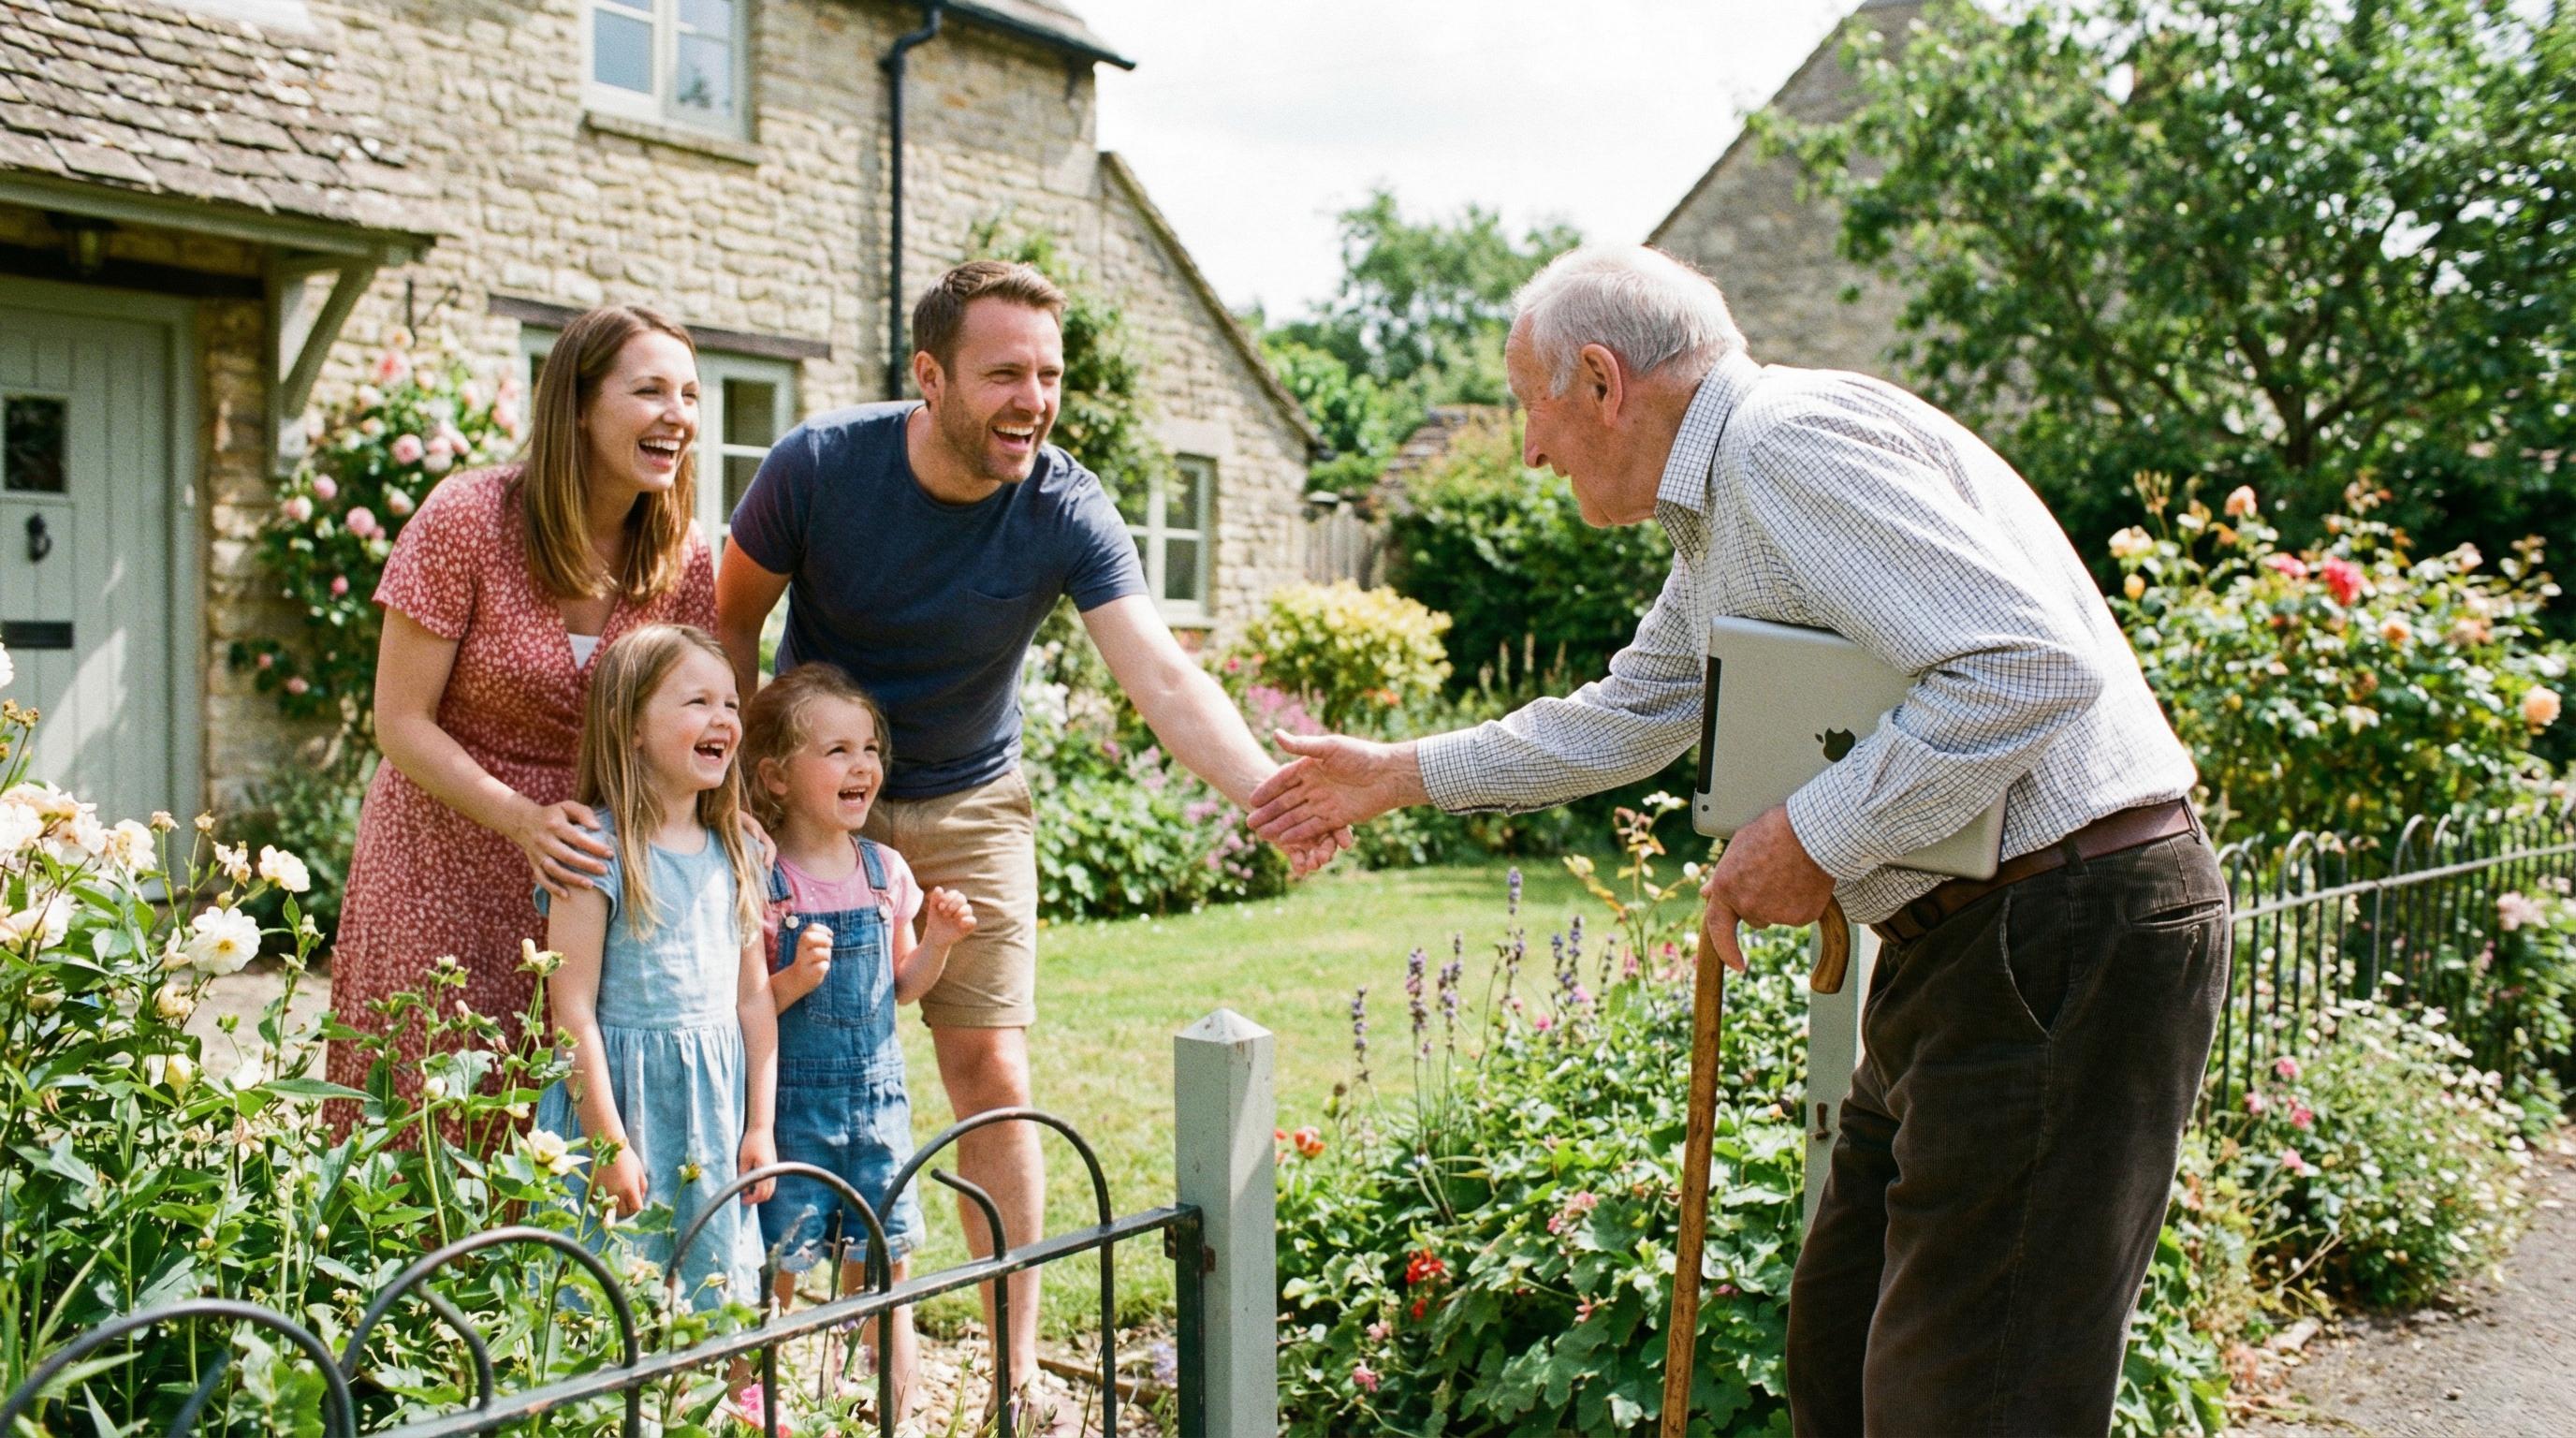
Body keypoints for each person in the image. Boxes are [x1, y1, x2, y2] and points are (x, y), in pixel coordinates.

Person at [1248, 244, 2228, 1436]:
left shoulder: (1784, 447)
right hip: (1980, 942)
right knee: (1839, 1352)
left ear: (1602, 381)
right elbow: (1644, 707)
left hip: (2061, 929)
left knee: (1972, 1402)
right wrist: (1399, 776)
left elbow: (2024, 669)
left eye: (1529, 407)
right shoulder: (1728, 496)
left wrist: (1812, 836)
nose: (1530, 450)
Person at [714, 259, 1337, 1424]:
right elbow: (730, 618)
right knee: (766, 1054)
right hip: (800, 792)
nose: (1032, 399)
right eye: (1005, 372)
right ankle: (749, 1355)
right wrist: (741, 807)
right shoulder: (821, 466)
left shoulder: (1062, 502)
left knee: (987, 1070)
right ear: (930, 374)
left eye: (1048, 374)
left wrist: (1270, 792)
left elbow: (1155, 667)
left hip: (967, 801)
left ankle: (1008, 1362)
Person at [334, 306, 717, 1107]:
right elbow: (400, 721)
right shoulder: (467, 519)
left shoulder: (684, 556)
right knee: (428, 1106)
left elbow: (699, 714)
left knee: (568, 1123)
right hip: (439, 858)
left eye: (688, 393)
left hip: (592, 880)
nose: (677, 415)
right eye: (650, 391)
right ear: (578, 405)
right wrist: (521, 819)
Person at [741, 662, 975, 1422]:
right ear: (776, 778)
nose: (863, 765)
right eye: (837, 750)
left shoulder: (886, 872)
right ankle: (759, 1408)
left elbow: (901, 987)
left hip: (879, 1107)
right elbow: (744, 1008)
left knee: (883, 1274)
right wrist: (790, 984)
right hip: (794, 1110)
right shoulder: (764, 878)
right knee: (776, 1271)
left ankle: (888, 1413)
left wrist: (936, 943)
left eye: (869, 748)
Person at [532, 624, 778, 1308]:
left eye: (731, 703)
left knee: (718, 1291)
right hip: (621, 1111)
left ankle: (727, 1411)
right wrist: (608, 1146)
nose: (723, 719)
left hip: (714, 1115)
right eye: (697, 702)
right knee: (600, 1301)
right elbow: (571, 1012)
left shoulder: (738, 852)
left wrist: (760, 1123)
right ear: (630, 726)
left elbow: (753, 1001)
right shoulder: (595, 854)